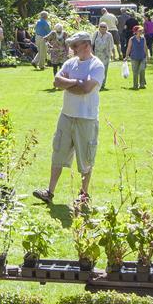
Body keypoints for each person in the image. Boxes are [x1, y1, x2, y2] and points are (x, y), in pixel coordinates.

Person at [33, 32, 104, 204]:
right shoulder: (70, 62)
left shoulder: (97, 65)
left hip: (86, 118)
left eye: (75, 46)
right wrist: (74, 82)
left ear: (86, 45)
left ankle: (83, 195)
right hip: (66, 115)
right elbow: (57, 81)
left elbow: (87, 88)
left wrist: (69, 83)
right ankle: (49, 193)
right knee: (58, 153)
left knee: (86, 158)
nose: (71, 49)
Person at [91, 22, 115, 91]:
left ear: (106, 28)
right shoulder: (96, 34)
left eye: (104, 27)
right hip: (96, 55)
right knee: (96, 70)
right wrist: (91, 53)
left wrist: (113, 54)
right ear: (99, 27)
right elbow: (92, 44)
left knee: (104, 70)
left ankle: (102, 85)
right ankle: (96, 84)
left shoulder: (109, 35)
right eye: (101, 26)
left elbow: (112, 45)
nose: (102, 28)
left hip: (106, 56)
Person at [126, 25, 147, 90]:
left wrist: (147, 56)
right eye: (140, 31)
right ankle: (135, 85)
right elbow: (129, 48)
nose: (141, 32)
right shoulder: (132, 39)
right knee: (135, 72)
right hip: (134, 57)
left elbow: (145, 47)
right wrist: (126, 56)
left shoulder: (143, 38)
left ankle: (142, 84)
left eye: (141, 31)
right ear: (135, 31)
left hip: (142, 57)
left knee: (142, 70)